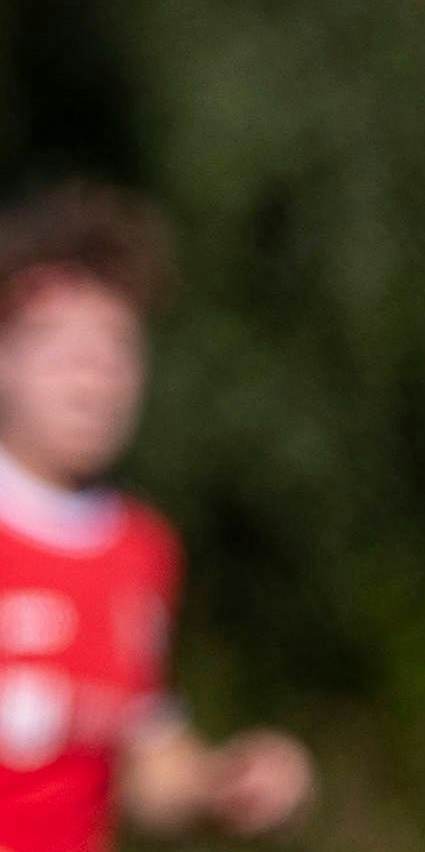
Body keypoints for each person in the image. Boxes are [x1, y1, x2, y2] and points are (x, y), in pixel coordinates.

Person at [0, 182, 314, 852]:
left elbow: (141, 756)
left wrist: (220, 784)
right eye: (62, 348)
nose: (92, 378)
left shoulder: (141, 549)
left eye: (115, 350)